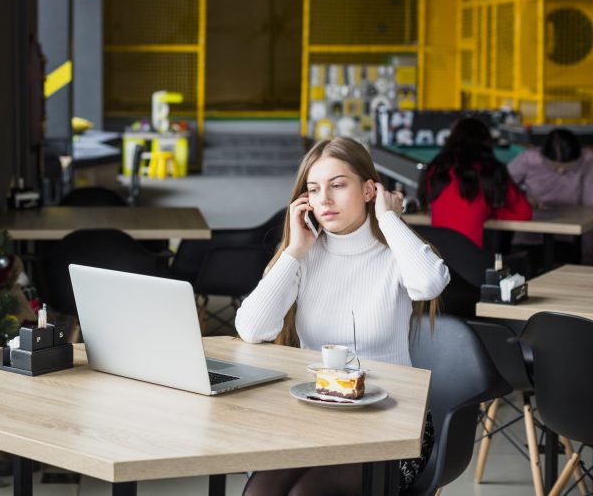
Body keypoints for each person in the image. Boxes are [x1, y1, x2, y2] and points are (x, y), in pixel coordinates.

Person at [236, 137, 449, 496]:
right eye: (314, 189)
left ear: (369, 189)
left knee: (308, 494)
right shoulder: (304, 254)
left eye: (338, 185)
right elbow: (253, 329)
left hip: (393, 423)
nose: (325, 200)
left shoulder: (394, 251)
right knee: (260, 493)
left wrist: (389, 218)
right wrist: (294, 250)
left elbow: (430, 284)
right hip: (316, 419)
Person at [418, 117, 531, 249]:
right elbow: (524, 213)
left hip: (435, 259)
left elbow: (433, 207)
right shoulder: (490, 170)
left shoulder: (436, 169)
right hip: (471, 259)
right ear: (485, 142)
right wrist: (491, 212)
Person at [508, 128, 593, 264]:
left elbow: (590, 205)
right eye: (554, 165)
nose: (560, 171)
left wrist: (588, 257)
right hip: (530, 233)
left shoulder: (588, 160)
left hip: (570, 236)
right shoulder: (529, 159)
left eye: (568, 167)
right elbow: (502, 186)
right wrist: (522, 199)